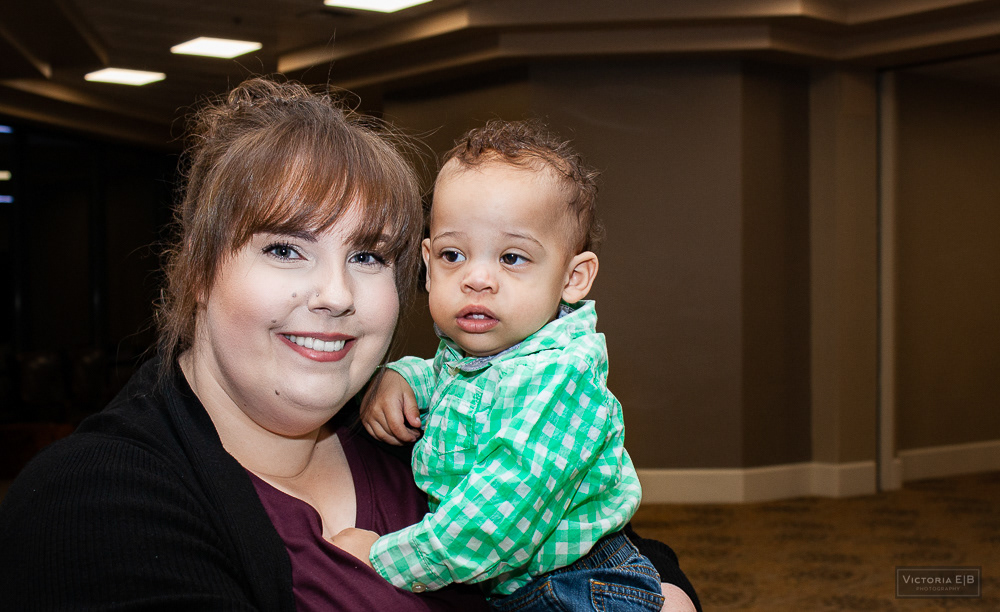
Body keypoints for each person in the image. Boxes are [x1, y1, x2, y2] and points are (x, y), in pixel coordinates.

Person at [0, 78, 698, 612]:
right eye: (284, 248)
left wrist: (671, 590)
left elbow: (600, 543)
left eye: (367, 256)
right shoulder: (92, 501)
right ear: (200, 270)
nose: (335, 294)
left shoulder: (403, 423)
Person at [356, 120, 689, 611]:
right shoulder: (476, 355)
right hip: (514, 586)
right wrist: (401, 375)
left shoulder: (561, 381)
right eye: (453, 254)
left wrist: (382, 559)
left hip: (582, 586)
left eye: (512, 257)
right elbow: (449, 379)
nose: (477, 278)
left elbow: (493, 525)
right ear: (427, 264)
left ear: (573, 278)